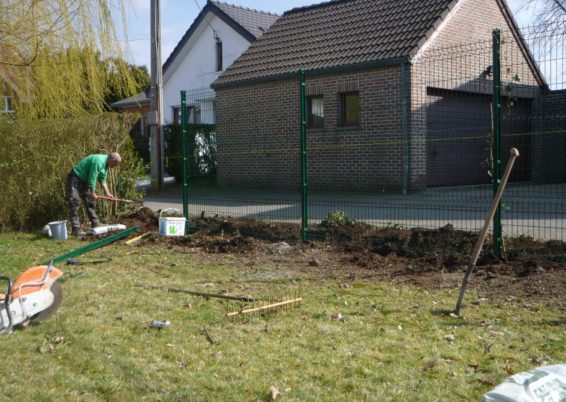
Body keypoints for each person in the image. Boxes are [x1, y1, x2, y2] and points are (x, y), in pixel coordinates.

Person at [67, 153, 122, 236]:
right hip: (75, 178)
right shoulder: (99, 162)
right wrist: (93, 193)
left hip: (85, 180)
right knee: (75, 202)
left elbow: (103, 179)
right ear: (112, 160)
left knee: (90, 201)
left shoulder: (106, 165)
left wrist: (108, 193)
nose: (116, 166)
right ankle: (76, 229)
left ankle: (95, 223)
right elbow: (92, 178)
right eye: (116, 164)